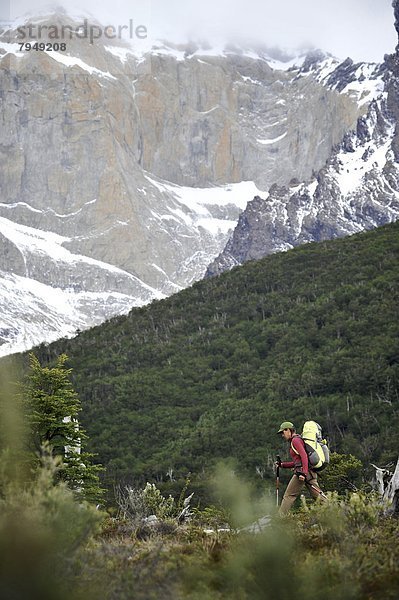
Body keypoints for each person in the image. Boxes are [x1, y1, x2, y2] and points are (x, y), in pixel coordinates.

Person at [276, 421, 327, 514]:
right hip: (309, 472)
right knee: (317, 495)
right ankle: (332, 510)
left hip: (302, 474)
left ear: (288, 430)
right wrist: (282, 465)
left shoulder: (295, 440)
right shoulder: (297, 440)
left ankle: (280, 517)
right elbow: (297, 462)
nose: (282, 435)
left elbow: (304, 456)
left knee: (289, 496)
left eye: (283, 432)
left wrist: (304, 472)